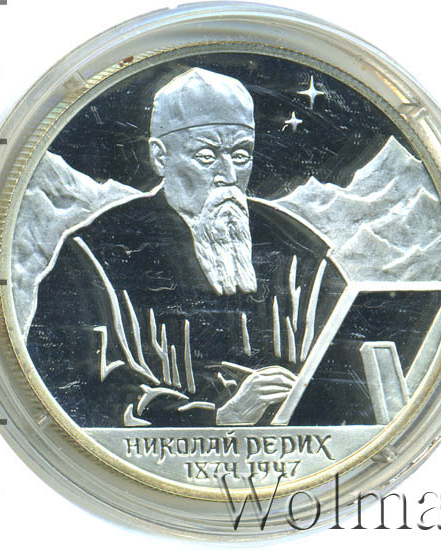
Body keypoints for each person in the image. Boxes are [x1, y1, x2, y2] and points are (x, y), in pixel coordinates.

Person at [27, 68, 347, 428]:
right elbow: (72, 385)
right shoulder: (93, 256)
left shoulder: (299, 253)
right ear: (160, 157)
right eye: (207, 157)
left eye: (241, 155)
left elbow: (347, 371)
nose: (228, 175)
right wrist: (217, 417)